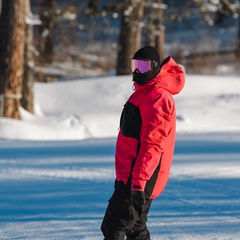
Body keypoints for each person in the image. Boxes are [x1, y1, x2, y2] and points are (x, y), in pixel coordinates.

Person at [101, 46, 185, 240]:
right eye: (134, 65)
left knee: (114, 225)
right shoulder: (144, 93)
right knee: (136, 228)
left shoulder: (158, 98)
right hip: (130, 174)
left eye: (143, 66)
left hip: (140, 176)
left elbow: (153, 145)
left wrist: (138, 184)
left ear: (154, 68)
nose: (138, 71)